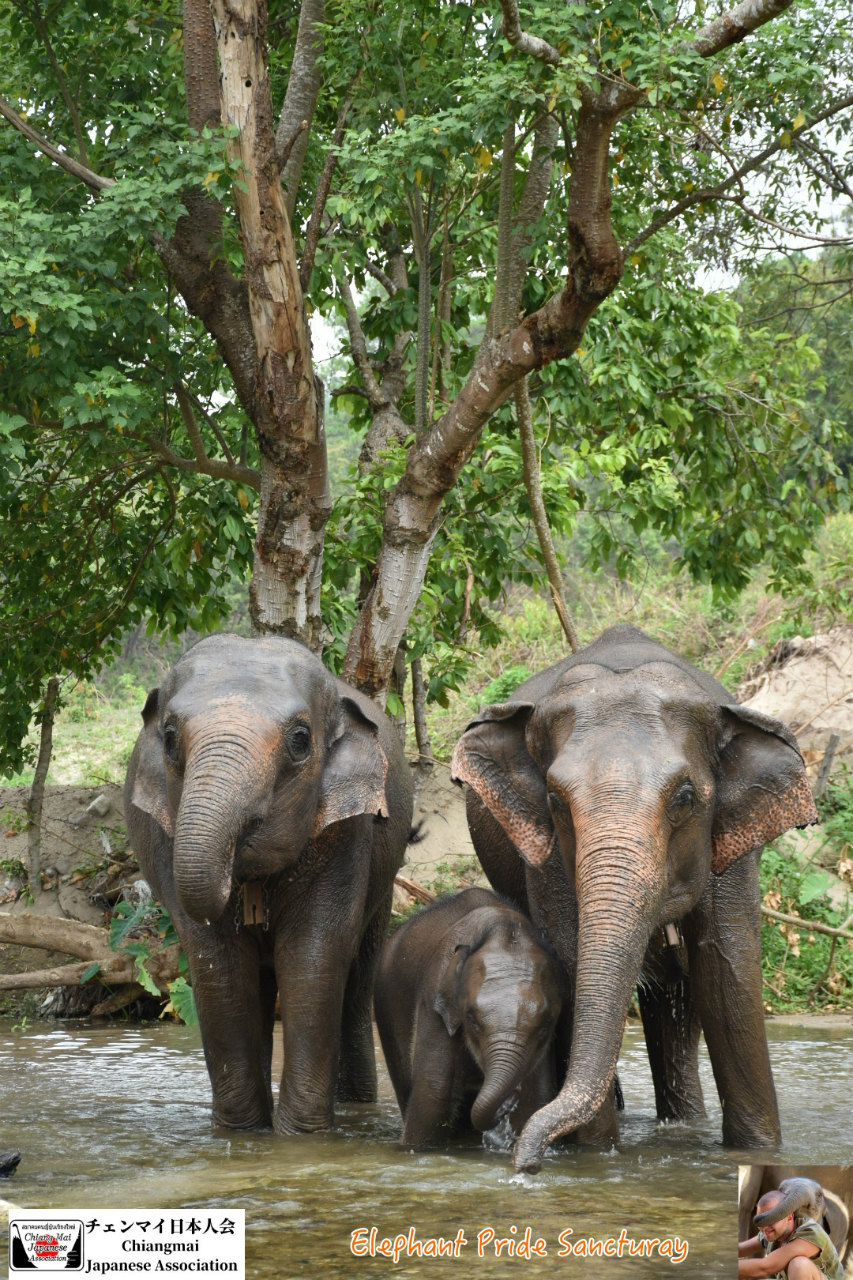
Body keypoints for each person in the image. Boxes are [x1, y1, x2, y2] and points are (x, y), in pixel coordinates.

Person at [738, 1188, 844, 1279]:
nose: (764, 1227)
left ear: (789, 1217)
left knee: (799, 1265)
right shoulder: (771, 1232)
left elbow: (765, 1267)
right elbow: (740, 1250)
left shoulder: (811, 1234)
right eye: (761, 1222)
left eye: (771, 1220)